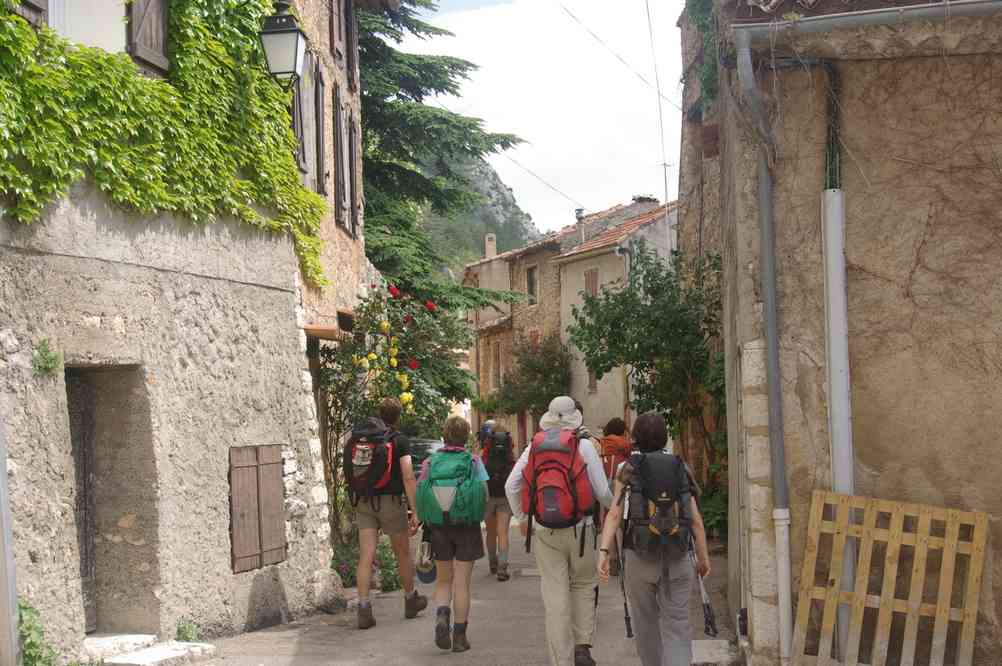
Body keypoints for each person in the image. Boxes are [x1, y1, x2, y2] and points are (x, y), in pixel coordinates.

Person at [506, 396, 614, 666]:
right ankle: (582, 646)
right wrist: (616, 513)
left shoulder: (534, 446)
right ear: (575, 417)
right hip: (582, 530)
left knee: (555, 597)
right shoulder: (584, 445)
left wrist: (523, 518)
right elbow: (602, 492)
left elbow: (511, 485)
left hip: (545, 531)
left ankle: (561, 661)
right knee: (583, 585)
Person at [597, 412, 711, 666]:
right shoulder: (681, 467)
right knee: (677, 625)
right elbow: (695, 520)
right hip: (678, 555)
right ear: (664, 437)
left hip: (639, 556)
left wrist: (604, 552)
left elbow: (614, 514)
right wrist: (703, 558)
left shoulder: (627, 469)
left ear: (636, 438)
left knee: (645, 624)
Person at [345, 398, 428, 630]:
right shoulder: (399, 440)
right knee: (402, 552)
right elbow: (408, 476)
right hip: (391, 502)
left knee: (366, 555)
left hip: (364, 500)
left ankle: (363, 609)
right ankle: (410, 600)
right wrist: (415, 511)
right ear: (398, 416)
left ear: (379, 414)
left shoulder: (360, 438)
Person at [416, 416, 489, 653]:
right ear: (466, 437)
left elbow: (420, 491)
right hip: (467, 526)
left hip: (438, 527)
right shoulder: (473, 461)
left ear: (444, 436)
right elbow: (485, 494)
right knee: (462, 583)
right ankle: (459, 636)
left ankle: (441, 615)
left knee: (444, 579)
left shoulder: (430, 463)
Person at [481, 424, 516, 581]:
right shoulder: (510, 457)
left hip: (488, 497)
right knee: (503, 533)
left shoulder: (485, 457)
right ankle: (502, 568)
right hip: (505, 498)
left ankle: (492, 564)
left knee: (491, 532)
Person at [599, 418, 632, 576]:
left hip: (605, 483)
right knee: (624, 520)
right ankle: (625, 559)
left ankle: (612, 560)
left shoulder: (602, 444)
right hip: (622, 482)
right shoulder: (626, 445)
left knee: (609, 519)